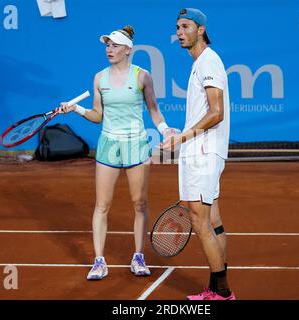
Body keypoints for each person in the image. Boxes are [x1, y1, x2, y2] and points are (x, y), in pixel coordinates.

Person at [59, 25, 174, 280]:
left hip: (136, 144)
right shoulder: (100, 78)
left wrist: (165, 130)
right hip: (109, 144)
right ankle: (99, 261)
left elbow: (154, 109)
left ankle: (138, 256)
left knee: (139, 203)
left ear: (127, 49)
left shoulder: (142, 76)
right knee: (102, 205)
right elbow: (98, 115)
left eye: (114, 45)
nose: (109, 49)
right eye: (107, 45)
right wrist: (76, 109)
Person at [161, 8, 235, 300]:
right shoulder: (203, 63)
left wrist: (184, 136)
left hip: (203, 152)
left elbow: (217, 113)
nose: (179, 32)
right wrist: (183, 132)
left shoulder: (208, 62)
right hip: (204, 149)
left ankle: (224, 292)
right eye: (177, 27)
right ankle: (217, 288)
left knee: (199, 220)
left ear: (200, 29)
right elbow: (207, 113)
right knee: (213, 219)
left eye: (185, 26)